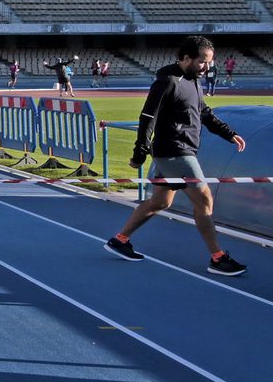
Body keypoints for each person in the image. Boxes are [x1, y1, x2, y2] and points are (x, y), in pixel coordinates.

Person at [104, 35, 248, 277]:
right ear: (186, 58)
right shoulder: (167, 81)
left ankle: (120, 240)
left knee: (161, 202)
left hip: (179, 150)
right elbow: (147, 117)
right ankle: (218, 257)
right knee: (204, 201)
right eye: (203, 62)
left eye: (210, 63)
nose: (207, 67)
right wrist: (139, 152)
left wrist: (229, 134)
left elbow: (204, 113)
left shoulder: (194, 81)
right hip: (175, 152)